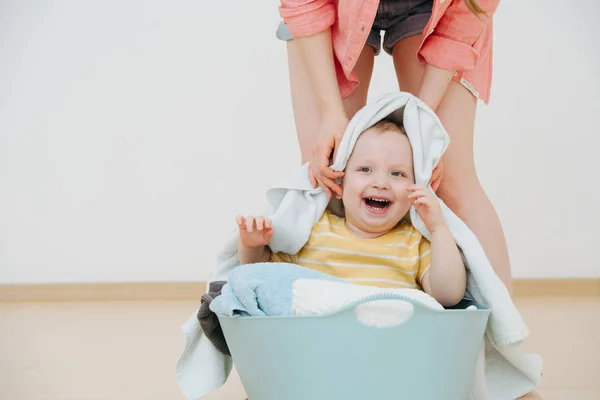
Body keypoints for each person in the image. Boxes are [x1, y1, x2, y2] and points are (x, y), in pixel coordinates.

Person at [275, 0, 513, 291]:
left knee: (451, 179)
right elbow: (305, 5)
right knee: (326, 174)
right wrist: (330, 111)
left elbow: (463, 21)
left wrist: (422, 126)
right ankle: (321, 314)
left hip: (438, 10)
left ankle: (496, 328)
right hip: (331, 6)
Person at [236, 120, 467, 307]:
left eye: (397, 174)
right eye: (365, 169)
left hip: (386, 348)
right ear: (340, 182)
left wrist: (438, 229)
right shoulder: (313, 231)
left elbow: (448, 296)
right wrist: (252, 245)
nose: (381, 183)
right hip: (320, 347)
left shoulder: (413, 243)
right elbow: (263, 277)